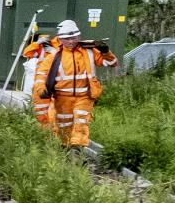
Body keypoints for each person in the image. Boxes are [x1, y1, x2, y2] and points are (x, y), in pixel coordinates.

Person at [33, 19, 119, 149]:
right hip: (62, 99)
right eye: (67, 38)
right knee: (64, 128)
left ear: (79, 36)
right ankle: (67, 151)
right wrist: (40, 88)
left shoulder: (89, 52)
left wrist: (106, 52)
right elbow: (41, 74)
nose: (71, 41)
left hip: (84, 96)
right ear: (60, 39)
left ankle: (76, 151)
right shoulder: (54, 56)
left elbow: (112, 63)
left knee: (81, 122)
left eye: (74, 37)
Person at [21, 32, 58, 132]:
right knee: (40, 110)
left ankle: (53, 132)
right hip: (41, 82)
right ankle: (44, 131)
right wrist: (37, 43)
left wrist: (54, 51)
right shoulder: (41, 47)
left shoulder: (58, 47)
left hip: (56, 82)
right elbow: (26, 53)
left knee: (54, 110)